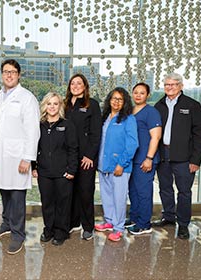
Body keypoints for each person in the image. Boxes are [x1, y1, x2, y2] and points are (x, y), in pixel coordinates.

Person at [0, 59, 40, 255]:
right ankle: (7, 224)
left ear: (18, 75)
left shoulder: (27, 98)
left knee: (17, 195)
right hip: (0, 156)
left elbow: (32, 130)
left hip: (18, 156)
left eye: (13, 72)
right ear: (1, 74)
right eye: (5, 72)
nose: (9, 75)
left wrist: (27, 157)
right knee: (5, 192)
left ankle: (18, 233)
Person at [152, 73, 201, 239]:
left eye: (174, 84)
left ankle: (183, 224)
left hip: (184, 157)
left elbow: (200, 136)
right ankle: (168, 216)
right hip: (163, 154)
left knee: (184, 192)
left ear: (181, 86)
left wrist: (195, 160)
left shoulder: (192, 105)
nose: (170, 87)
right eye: (167, 84)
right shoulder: (159, 105)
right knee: (165, 188)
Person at [32, 92, 78, 246]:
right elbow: (33, 148)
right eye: (49, 103)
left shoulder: (67, 125)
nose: (52, 107)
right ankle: (49, 229)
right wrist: (34, 167)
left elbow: (73, 149)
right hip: (44, 172)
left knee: (63, 204)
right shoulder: (39, 125)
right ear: (45, 106)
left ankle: (61, 232)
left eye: (55, 103)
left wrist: (72, 170)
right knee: (47, 203)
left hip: (62, 173)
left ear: (60, 106)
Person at [95, 87, 138, 242]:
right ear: (109, 100)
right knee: (106, 195)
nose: (116, 102)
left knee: (119, 197)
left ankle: (118, 227)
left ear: (125, 102)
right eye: (114, 98)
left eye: (120, 99)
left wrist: (122, 164)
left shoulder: (129, 119)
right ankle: (109, 221)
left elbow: (132, 144)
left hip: (120, 166)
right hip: (103, 164)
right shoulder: (105, 117)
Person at [64, 73, 102, 240]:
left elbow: (96, 133)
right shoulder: (64, 105)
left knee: (86, 192)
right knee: (70, 191)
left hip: (86, 157)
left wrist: (89, 155)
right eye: (73, 83)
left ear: (85, 86)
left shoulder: (91, 104)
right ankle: (74, 221)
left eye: (79, 83)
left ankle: (88, 226)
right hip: (68, 157)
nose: (76, 86)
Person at [127, 83, 162, 235]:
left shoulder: (151, 112)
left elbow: (156, 136)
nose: (138, 95)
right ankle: (134, 218)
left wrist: (149, 158)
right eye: (136, 92)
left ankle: (144, 224)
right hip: (131, 159)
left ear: (147, 95)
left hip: (144, 159)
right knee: (133, 191)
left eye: (142, 93)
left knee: (143, 192)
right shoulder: (130, 111)